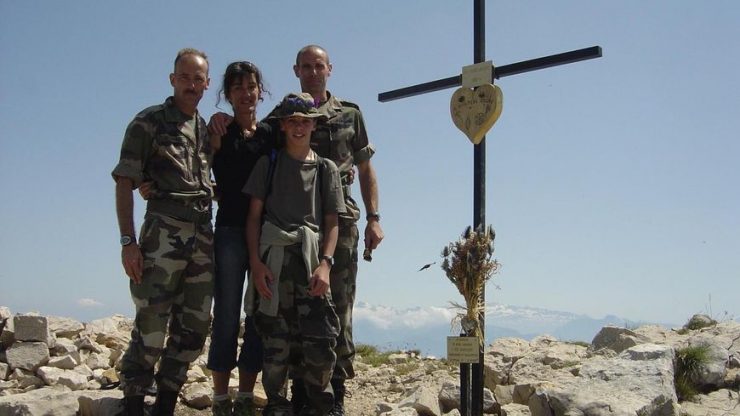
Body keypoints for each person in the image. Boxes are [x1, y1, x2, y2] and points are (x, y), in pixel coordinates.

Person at [112, 48, 214, 416]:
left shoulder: (207, 129)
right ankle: (134, 401)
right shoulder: (149, 122)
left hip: (202, 234)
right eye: (184, 77)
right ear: (173, 80)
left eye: (198, 78)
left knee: (195, 325)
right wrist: (128, 242)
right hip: (162, 233)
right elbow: (125, 181)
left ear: (207, 83)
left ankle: (167, 402)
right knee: (152, 323)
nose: (191, 84)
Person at [291, 45, 384, 416]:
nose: (313, 72)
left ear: (330, 69)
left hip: (343, 222)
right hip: (298, 221)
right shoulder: (287, 115)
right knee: (298, 305)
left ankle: (336, 392)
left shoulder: (350, 114)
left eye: (319, 66)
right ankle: (301, 390)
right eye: (306, 67)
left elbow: (365, 168)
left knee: (340, 308)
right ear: (296, 70)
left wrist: (375, 217)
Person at [243, 93, 345, 416]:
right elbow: (253, 218)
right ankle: (276, 407)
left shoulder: (327, 169)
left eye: (305, 122)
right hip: (273, 262)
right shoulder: (268, 164)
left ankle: (320, 407)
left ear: (314, 126)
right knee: (275, 347)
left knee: (319, 344)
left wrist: (326, 265)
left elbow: (332, 222)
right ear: (283, 126)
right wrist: (256, 265)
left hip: (310, 263)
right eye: (292, 122)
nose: (299, 128)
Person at [207, 61, 274, 416]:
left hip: (266, 233)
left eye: (251, 87)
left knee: (260, 313)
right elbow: (196, 166)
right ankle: (220, 396)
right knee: (228, 314)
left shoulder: (269, 135)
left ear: (259, 91)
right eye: (237, 88)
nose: (245, 94)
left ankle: (245, 395)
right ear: (228, 95)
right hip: (230, 231)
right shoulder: (219, 131)